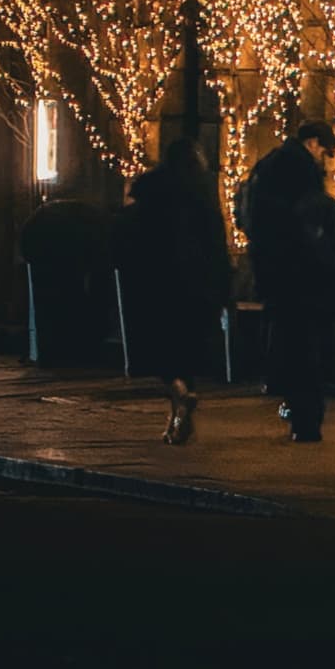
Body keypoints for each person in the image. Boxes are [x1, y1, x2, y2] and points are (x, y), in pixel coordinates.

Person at [243, 120, 335, 442]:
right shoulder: (300, 173)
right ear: (313, 142)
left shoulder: (267, 167)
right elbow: (311, 227)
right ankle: (306, 418)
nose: (325, 158)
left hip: (276, 272)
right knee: (308, 347)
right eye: (325, 150)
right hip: (304, 275)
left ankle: (295, 407)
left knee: (291, 342)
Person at [116, 138, 231, 444]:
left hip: (158, 282)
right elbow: (216, 239)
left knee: (161, 349)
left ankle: (179, 397)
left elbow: (130, 234)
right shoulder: (202, 191)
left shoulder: (151, 188)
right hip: (195, 283)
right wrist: (221, 284)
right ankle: (179, 416)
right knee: (185, 348)